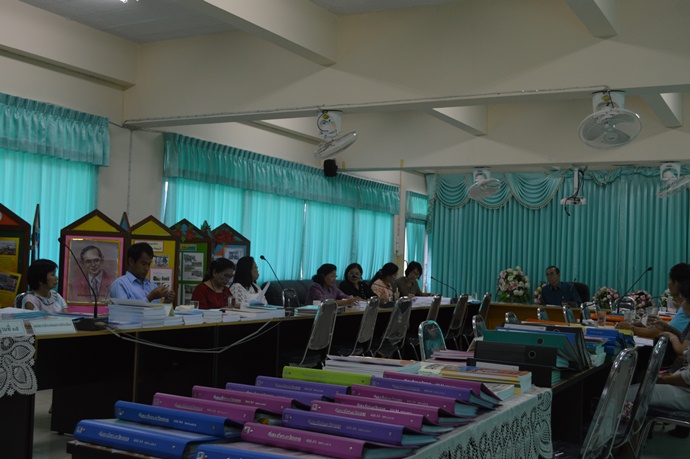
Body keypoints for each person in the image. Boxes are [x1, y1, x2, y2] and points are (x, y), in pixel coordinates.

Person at [617, 263, 690, 340]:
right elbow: (677, 333)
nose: (668, 284)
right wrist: (663, 325)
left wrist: (631, 328)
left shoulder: (686, 307)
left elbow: (658, 333)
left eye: (669, 280)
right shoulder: (685, 306)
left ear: (676, 283)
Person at [109, 242, 175, 303]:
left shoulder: (152, 286)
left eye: (149, 264)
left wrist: (166, 302)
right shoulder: (120, 284)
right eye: (144, 264)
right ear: (131, 261)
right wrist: (150, 297)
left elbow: (155, 310)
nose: (147, 268)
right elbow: (124, 310)